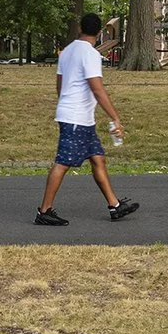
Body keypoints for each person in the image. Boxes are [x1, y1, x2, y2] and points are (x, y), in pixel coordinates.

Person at [34, 12, 137, 226]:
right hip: (76, 118)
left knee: (98, 158)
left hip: (78, 117)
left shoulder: (67, 51)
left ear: (80, 28)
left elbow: (59, 85)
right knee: (63, 162)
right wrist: (115, 117)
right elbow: (97, 89)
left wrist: (65, 103)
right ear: (99, 33)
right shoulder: (90, 55)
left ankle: (114, 205)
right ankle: (44, 211)